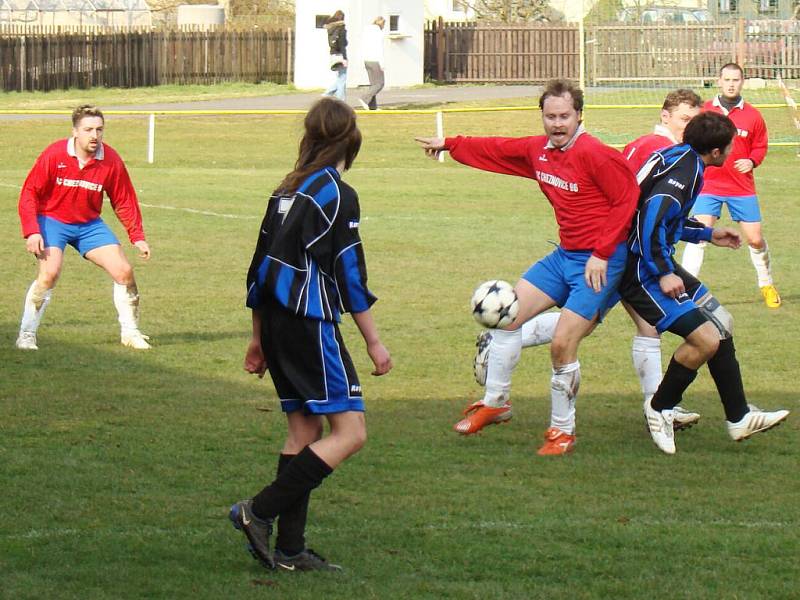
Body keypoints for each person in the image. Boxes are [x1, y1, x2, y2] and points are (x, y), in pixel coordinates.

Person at [416, 79, 640, 456]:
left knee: (562, 344)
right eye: (550, 116)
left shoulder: (597, 154)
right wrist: (452, 145)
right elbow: (499, 148)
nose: (557, 123)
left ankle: (562, 432)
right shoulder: (541, 150)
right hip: (565, 255)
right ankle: (497, 402)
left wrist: (602, 253)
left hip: (601, 260)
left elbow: (627, 200)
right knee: (508, 317)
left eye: (564, 116)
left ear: (579, 115)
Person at [472, 89, 705, 433]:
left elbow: (639, 207)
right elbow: (641, 208)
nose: (692, 127)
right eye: (686, 119)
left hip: (617, 253)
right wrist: (451, 143)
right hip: (624, 255)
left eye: (696, 120)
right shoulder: (653, 149)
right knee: (597, 328)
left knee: (635, 327)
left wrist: (703, 235)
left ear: (579, 115)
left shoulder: (666, 152)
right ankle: (659, 408)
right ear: (666, 116)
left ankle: (660, 407)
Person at [230, 98, 392, 572]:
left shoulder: (287, 188)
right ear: (352, 137)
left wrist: (258, 338)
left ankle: (289, 549)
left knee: (304, 431)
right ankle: (256, 512)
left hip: (276, 322)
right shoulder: (337, 193)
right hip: (307, 322)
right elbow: (350, 274)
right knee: (352, 432)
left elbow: (258, 267)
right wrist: (374, 341)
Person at [618, 111, 789, 454]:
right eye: (729, 147)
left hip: (656, 261)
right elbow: (651, 218)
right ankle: (659, 408)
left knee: (721, 323)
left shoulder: (683, 158)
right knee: (706, 340)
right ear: (716, 152)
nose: (731, 153)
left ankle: (739, 417)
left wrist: (708, 233)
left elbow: (668, 221)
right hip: (641, 270)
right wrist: (665, 272)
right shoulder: (685, 171)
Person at [16, 104, 151, 351]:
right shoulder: (54, 154)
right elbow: (29, 193)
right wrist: (32, 230)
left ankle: (131, 333)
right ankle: (26, 334)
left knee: (124, 271)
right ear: (75, 132)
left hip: (89, 224)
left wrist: (137, 236)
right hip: (52, 220)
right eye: (88, 129)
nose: (95, 135)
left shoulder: (110, 159)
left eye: (99, 130)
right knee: (49, 273)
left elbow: (124, 199)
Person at [681, 63, 780, 308]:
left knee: (755, 239)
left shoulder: (753, 115)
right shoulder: (705, 111)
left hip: (741, 187)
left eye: (736, 79)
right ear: (719, 81)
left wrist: (752, 160)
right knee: (698, 236)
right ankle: (684, 290)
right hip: (708, 184)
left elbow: (760, 145)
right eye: (727, 79)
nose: (731, 84)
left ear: (742, 81)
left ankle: (766, 283)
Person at [359, 17, 386, 111]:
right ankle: (364, 98)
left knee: (373, 84)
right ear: (382, 24)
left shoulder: (366, 32)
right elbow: (379, 49)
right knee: (380, 84)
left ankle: (372, 106)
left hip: (367, 60)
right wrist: (382, 64)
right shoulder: (379, 33)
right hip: (375, 60)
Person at [322, 10, 348, 101]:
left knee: (340, 77)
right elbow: (342, 44)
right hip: (340, 55)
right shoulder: (341, 29)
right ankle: (340, 100)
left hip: (333, 54)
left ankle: (327, 94)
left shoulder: (331, 29)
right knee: (342, 78)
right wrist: (344, 58)